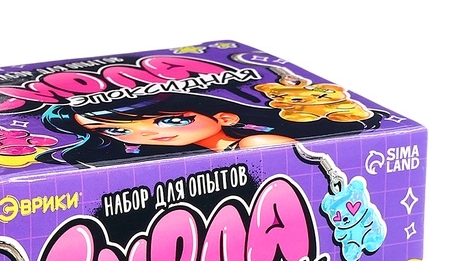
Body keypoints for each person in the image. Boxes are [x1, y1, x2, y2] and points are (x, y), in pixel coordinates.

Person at [36, 92, 385, 166]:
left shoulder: (252, 145)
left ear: (226, 117)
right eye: (120, 132)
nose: (150, 133)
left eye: (171, 120)